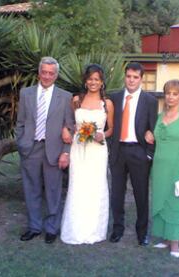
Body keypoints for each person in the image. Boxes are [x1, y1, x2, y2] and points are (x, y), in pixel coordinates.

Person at [16, 56, 75, 244]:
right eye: (44, 72)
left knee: (53, 190)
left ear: (56, 75)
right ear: (38, 73)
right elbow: (20, 122)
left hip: (54, 150)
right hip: (30, 148)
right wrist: (22, 142)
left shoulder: (65, 97)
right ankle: (34, 227)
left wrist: (66, 151)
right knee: (31, 189)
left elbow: (70, 126)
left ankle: (51, 228)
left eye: (51, 73)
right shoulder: (26, 94)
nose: (47, 76)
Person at [60, 64, 114, 244]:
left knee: (95, 186)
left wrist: (102, 134)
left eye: (97, 79)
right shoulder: (76, 100)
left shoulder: (107, 104)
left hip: (97, 150)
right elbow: (69, 123)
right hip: (79, 148)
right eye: (90, 79)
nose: (93, 82)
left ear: (102, 82)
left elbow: (111, 129)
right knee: (78, 185)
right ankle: (76, 228)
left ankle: (94, 229)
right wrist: (69, 129)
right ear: (85, 81)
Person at [145, 79, 179, 258]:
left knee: (175, 203)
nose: (170, 97)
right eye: (168, 93)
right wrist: (149, 134)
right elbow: (156, 137)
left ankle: (175, 243)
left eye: (175, 94)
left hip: (177, 167)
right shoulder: (160, 116)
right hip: (159, 167)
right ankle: (166, 238)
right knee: (161, 200)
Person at [109, 62, 158, 246]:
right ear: (125, 76)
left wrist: (149, 154)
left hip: (139, 152)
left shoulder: (150, 101)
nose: (131, 80)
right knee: (117, 193)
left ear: (141, 79)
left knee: (141, 194)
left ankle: (142, 231)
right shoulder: (114, 98)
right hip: (118, 151)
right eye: (129, 76)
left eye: (135, 77)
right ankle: (117, 228)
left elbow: (153, 129)